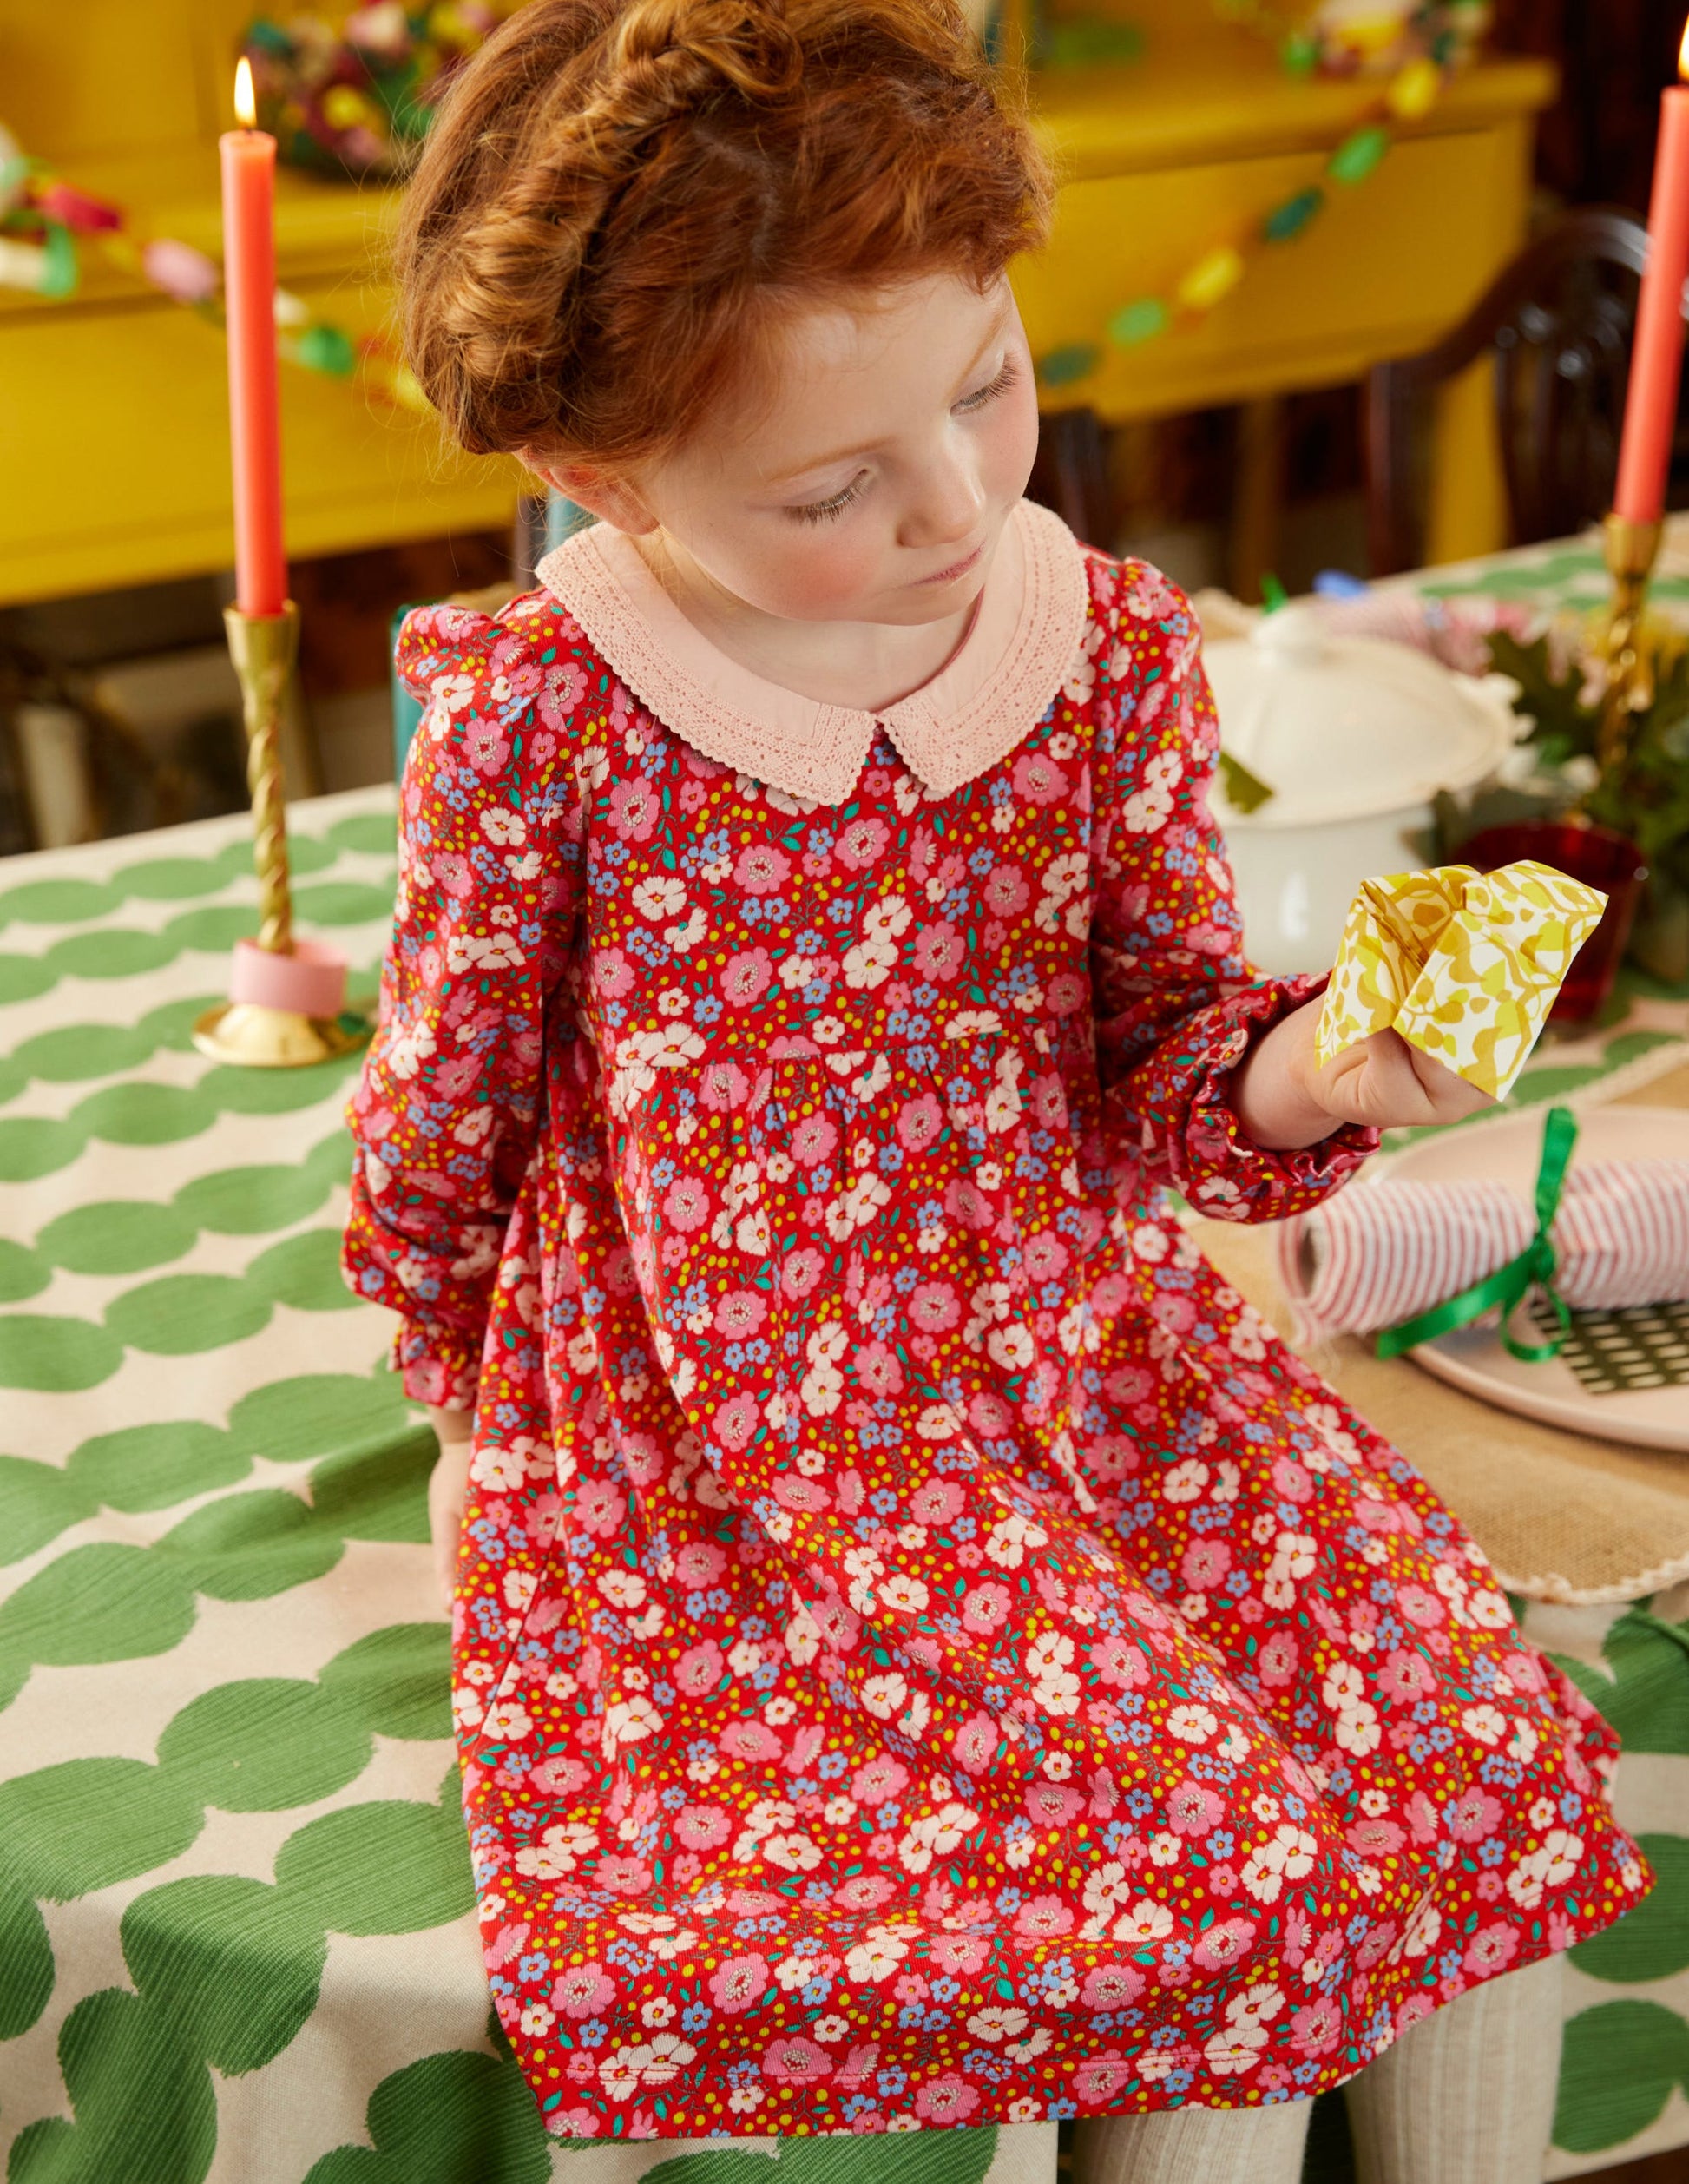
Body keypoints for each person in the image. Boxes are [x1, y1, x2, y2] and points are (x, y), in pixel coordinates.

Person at [341, 0, 1647, 2172]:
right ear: (600, 474)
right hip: (730, 1438)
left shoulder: (1106, 645)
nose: (957, 501)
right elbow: (445, 1099)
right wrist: (471, 1393)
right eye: (834, 485)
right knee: (1163, 1872)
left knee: (1468, 1728)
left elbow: (1162, 1056)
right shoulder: (545, 718)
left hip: (1089, 1369)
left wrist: (1327, 1062)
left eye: (988, 385)